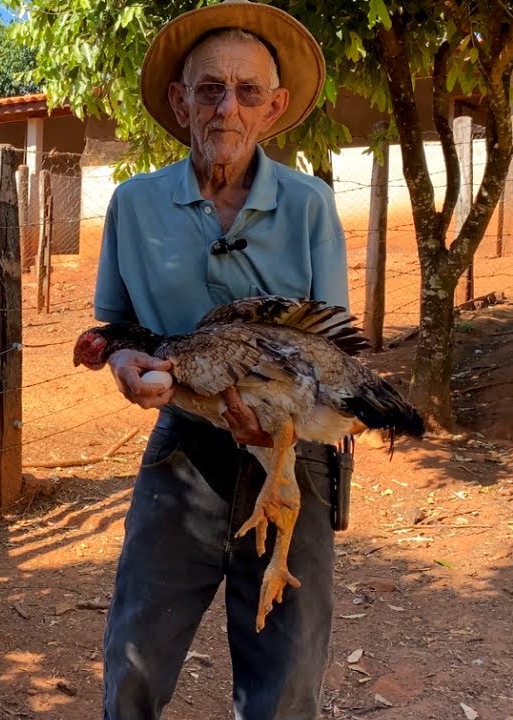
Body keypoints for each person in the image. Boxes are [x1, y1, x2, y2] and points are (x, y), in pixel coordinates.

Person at [91, 1, 347, 717]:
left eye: (246, 91)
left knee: (286, 683)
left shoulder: (310, 205)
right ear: (181, 103)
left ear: (275, 106)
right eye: (209, 89)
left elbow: (334, 349)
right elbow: (119, 330)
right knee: (134, 659)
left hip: (293, 459)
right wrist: (125, 363)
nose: (226, 107)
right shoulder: (133, 205)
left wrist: (281, 419)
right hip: (184, 450)